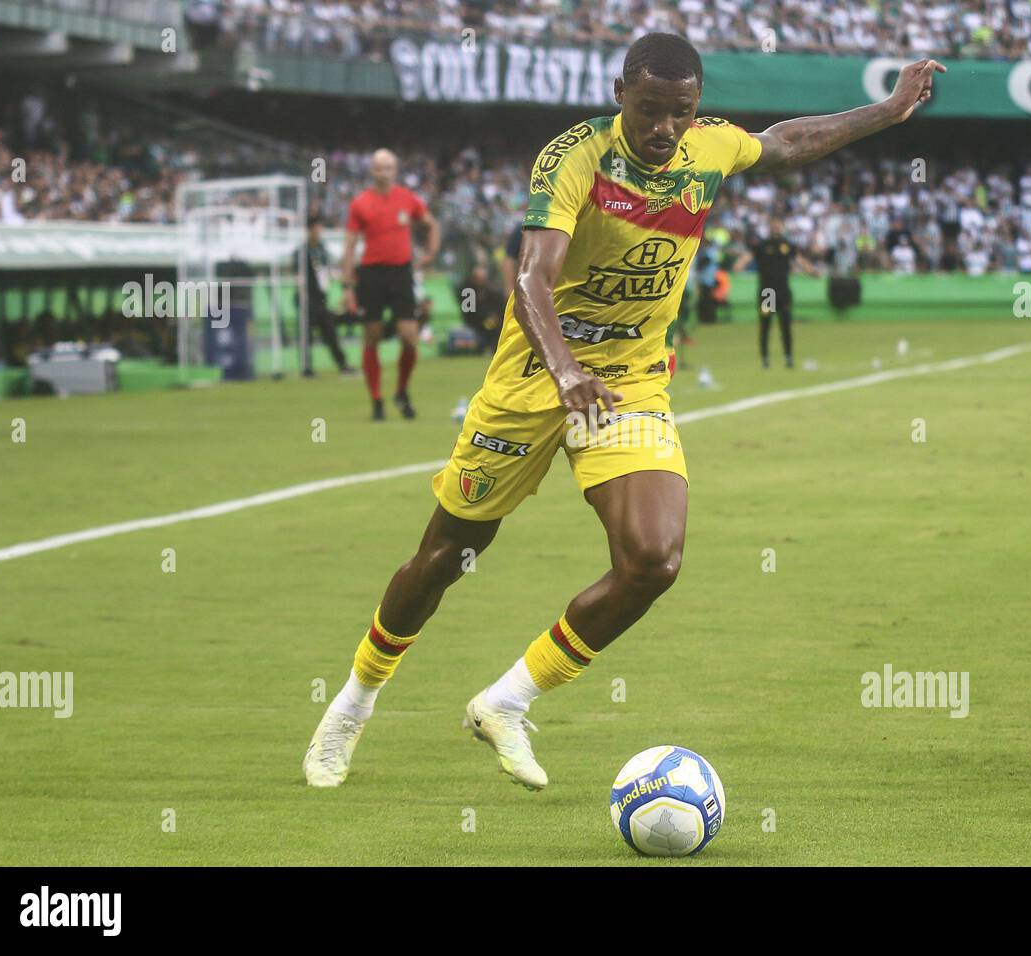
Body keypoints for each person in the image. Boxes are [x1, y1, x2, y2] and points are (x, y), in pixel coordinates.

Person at [304, 33, 944, 790]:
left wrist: (889, 110)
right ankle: (351, 706)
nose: (665, 127)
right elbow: (531, 283)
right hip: (533, 380)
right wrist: (566, 371)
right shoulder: (573, 159)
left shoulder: (709, 150)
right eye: (650, 110)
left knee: (652, 561)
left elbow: (786, 141)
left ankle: (505, 702)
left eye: (681, 112)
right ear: (619, 96)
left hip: (629, 383)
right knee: (444, 557)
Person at [340, 148, 440, 420]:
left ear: (394, 171)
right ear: (372, 171)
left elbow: (430, 224)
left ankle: (401, 390)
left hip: (400, 273)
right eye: (378, 167)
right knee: (371, 335)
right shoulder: (360, 203)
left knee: (409, 336)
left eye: (388, 167)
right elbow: (349, 246)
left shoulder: (407, 199)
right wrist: (347, 286)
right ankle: (376, 400)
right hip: (371, 274)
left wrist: (431, 252)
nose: (383, 172)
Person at [733, 217, 817, 369]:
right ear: (770, 228)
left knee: (785, 325)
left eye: (779, 225)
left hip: (783, 291)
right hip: (768, 293)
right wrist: (739, 265)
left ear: (782, 227)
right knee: (766, 325)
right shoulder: (763, 245)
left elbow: (799, 260)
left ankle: (788, 357)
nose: (776, 228)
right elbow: (748, 256)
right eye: (774, 226)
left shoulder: (787, 245)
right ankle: (765, 358)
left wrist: (812, 271)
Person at [299, 216, 351, 376]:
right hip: (308, 298)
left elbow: (328, 270)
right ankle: (307, 368)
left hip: (321, 297)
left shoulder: (322, 249)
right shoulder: (303, 252)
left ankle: (342, 364)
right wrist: (303, 297)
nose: (319, 231)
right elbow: (299, 276)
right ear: (310, 230)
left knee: (329, 330)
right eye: (316, 228)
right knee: (306, 333)